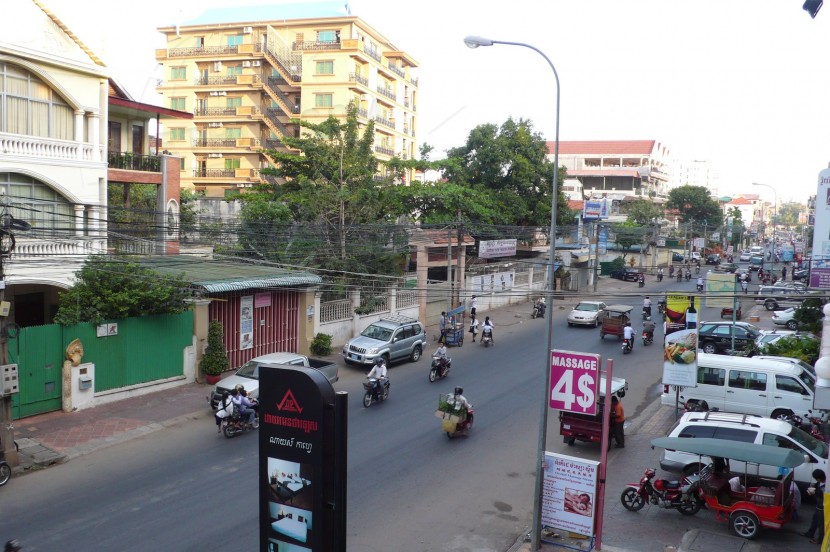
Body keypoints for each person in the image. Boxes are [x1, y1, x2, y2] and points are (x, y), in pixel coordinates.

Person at [802, 469, 826, 544]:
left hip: (823, 508)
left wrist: (813, 493)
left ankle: (820, 539)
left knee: (821, 524)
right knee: (815, 520)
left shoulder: (825, 487)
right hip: (818, 506)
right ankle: (810, 533)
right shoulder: (819, 483)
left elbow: (823, 497)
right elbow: (815, 487)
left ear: (818, 478)